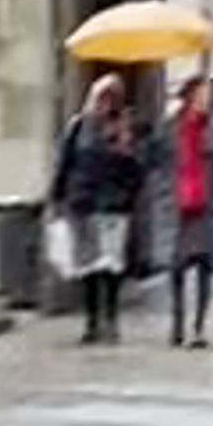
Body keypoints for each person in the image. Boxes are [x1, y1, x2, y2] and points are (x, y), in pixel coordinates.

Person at [50, 71, 144, 345]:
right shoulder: (78, 126)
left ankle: (111, 319)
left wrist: (126, 153)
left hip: (114, 206)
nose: (106, 104)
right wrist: (57, 197)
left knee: (112, 265)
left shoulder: (125, 128)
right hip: (83, 203)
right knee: (88, 265)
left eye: (112, 98)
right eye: (102, 97)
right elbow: (65, 162)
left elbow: (138, 171)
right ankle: (92, 322)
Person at [163, 75, 213, 348]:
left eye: (210, 95)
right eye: (202, 94)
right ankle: (177, 324)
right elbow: (157, 159)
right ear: (189, 95)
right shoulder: (172, 125)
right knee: (177, 268)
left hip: (207, 202)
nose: (207, 100)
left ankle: (198, 327)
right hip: (178, 204)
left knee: (206, 267)